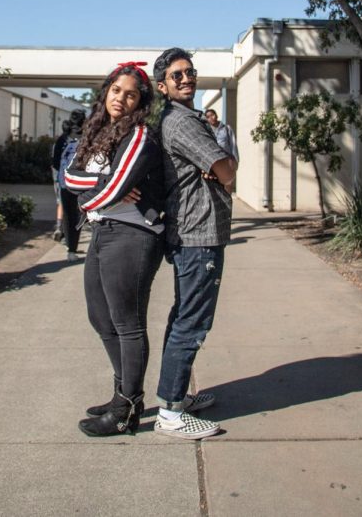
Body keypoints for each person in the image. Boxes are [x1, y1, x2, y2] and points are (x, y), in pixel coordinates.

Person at [64, 61, 165, 437]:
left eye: (131, 94)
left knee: (127, 323)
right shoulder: (99, 131)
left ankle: (127, 409)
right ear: (106, 91)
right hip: (103, 230)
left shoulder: (139, 135)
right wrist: (109, 184)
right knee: (100, 318)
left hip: (133, 234)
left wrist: (103, 189)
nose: (121, 98)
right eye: (116, 90)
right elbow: (70, 176)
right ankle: (121, 394)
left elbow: (102, 190)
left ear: (140, 101)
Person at [152, 47, 237, 439]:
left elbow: (218, 169)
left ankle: (176, 396)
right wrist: (221, 171)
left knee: (184, 316)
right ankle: (169, 413)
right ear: (163, 86)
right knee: (192, 321)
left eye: (190, 72)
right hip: (197, 235)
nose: (186, 79)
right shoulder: (184, 123)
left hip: (196, 234)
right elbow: (227, 168)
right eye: (177, 75)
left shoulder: (185, 119)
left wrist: (217, 171)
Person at [57, 109, 86, 261]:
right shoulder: (87, 137)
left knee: (68, 216)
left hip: (64, 182)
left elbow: (55, 162)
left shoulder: (63, 138)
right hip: (82, 183)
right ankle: (75, 245)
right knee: (80, 215)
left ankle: (71, 250)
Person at [51, 119, 71, 242]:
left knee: (60, 201)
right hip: (68, 176)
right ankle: (66, 230)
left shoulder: (58, 142)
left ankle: (59, 226)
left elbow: (53, 160)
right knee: (69, 203)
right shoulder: (72, 141)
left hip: (57, 175)